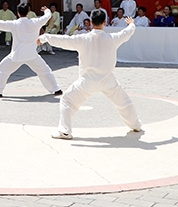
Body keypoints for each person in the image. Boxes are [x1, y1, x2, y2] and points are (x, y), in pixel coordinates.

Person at [38, 11, 142, 139]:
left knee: (67, 101)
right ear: (105, 23)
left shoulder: (83, 39)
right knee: (124, 103)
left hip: (87, 81)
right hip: (108, 79)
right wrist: (131, 24)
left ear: (91, 23)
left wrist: (44, 38)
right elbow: (127, 32)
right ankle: (136, 125)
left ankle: (65, 131)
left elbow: (64, 40)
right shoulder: (113, 38)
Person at [0, 3, 61, 98]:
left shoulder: (14, 24)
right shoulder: (35, 22)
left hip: (17, 55)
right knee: (45, 71)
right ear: (28, 12)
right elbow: (47, 16)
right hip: (32, 55)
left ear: (18, 13)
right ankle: (56, 89)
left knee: (1, 69)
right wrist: (46, 10)